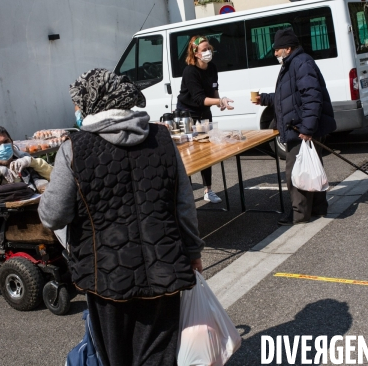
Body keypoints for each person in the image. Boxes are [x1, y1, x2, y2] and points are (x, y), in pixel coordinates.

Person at [38, 68, 204, 366]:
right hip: (164, 268)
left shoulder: (74, 149)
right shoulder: (162, 138)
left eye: (79, 103)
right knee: (160, 355)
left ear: (92, 103)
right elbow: (184, 204)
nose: (76, 110)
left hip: (106, 276)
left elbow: (53, 216)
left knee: (116, 357)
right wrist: (192, 251)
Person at [254, 28, 336, 226]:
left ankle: (298, 214)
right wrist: (264, 99)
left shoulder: (301, 63)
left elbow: (312, 96)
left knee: (296, 173)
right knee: (311, 168)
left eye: (277, 49)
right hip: (300, 127)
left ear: (288, 48)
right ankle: (317, 208)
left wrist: (307, 129)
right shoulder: (294, 63)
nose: (274, 53)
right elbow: (289, 95)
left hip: (300, 129)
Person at [176, 35, 234, 204]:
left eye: (209, 48)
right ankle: (186, 194)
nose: (208, 51)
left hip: (204, 114)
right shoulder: (190, 71)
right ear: (195, 53)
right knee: (189, 154)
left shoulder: (212, 67)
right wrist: (219, 101)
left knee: (206, 152)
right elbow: (199, 98)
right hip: (187, 116)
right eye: (204, 49)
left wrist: (220, 102)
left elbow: (214, 88)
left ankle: (208, 190)